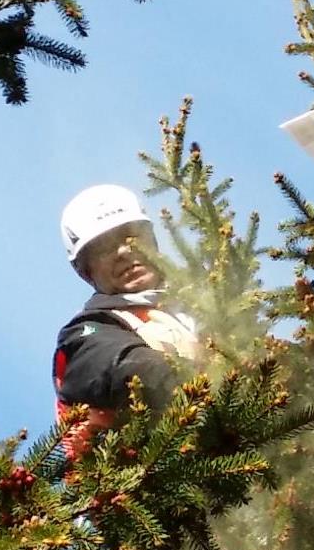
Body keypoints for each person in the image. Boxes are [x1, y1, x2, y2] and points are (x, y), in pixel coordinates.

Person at [52, 184, 203, 459]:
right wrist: (199, 376)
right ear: (86, 272)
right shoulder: (87, 334)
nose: (123, 251)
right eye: (103, 248)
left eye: (130, 236)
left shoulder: (198, 306)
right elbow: (122, 367)